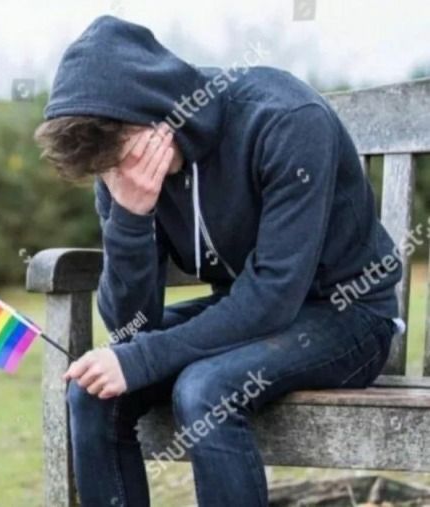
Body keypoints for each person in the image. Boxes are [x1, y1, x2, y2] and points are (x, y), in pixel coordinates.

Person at [34, 15, 404, 507]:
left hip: (350, 316)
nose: (118, 178)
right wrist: (129, 218)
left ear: (156, 116)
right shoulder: (121, 172)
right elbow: (130, 324)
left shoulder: (285, 119)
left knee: (205, 388)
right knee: (92, 391)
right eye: (105, 173)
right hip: (245, 315)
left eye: (120, 161)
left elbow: (273, 295)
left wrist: (142, 356)